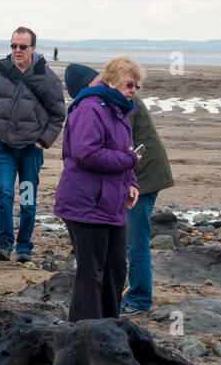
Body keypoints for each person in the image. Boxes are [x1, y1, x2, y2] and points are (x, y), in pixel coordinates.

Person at [54, 58, 142, 321]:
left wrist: (132, 182)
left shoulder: (119, 112)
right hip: (85, 203)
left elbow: (124, 152)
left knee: (115, 268)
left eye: (137, 86)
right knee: (91, 272)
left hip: (111, 203)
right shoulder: (90, 109)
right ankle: (84, 333)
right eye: (129, 84)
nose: (133, 90)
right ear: (112, 81)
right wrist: (129, 162)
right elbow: (86, 153)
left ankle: (108, 327)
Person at [0, 26, 66, 263]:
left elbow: (58, 114)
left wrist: (42, 142)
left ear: (33, 48)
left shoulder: (47, 78)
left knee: (28, 200)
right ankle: (4, 244)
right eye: (14, 46)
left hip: (31, 149)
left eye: (22, 47)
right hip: (4, 147)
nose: (17, 50)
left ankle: (25, 247)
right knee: (5, 193)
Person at [120, 83, 174, 314]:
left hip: (143, 178)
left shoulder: (123, 98)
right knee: (130, 239)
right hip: (141, 175)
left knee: (135, 240)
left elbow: (122, 143)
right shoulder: (120, 96)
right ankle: (133, 294)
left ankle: (139, 299)